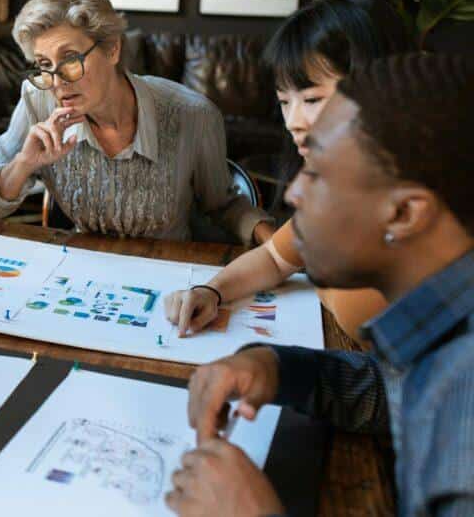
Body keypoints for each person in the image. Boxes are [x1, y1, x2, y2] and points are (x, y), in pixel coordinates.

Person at [167, 52, 474, 517]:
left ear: (404, 213)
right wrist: (277, 368)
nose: (292, 194)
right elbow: (396, 391)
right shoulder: (443, 342)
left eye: (318, 173)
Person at [164, 0, 410, 343]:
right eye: (284, 102)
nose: (293, 122)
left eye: (311, 100)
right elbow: (275, 259)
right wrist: (212, 291)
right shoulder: (335, 185)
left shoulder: (421, 209)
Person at [0, 0, 273, 245]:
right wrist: (23, 164)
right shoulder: (37, 103)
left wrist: (275, 245)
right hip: (82, 279)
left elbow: (223, 206)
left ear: (112, 49)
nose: (58, 81)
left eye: (71, 59)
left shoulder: (193, 115)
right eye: (45, 65)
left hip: (170, 279)